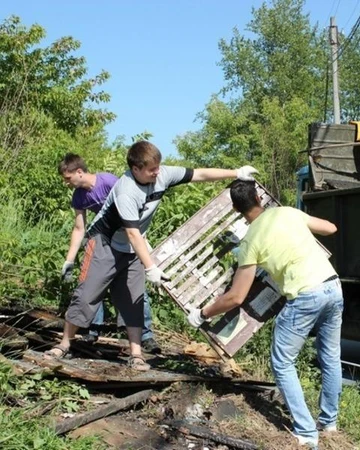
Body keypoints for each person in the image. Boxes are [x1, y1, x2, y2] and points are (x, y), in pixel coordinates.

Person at [45, 141, 258, 371]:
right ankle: (64, 344)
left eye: (158, 167)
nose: (157, 172)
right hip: (104, 243)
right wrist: (151, 268)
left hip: (132, 247)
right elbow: (133, 233)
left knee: (134, 299)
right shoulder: (126, 190)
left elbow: (200, 173)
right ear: (136, 169)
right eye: (151, 169)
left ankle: (136, 354)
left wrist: (237, 172)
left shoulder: (162, 174)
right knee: (87, 295)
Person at [187, 180, 343, 449]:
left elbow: (236, 296)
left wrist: (202, 313)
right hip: (333, 285)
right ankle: (328, 423)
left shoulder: (250, 242)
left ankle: (307, 433)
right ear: (259, 197)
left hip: (305, 295)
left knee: (282, 362)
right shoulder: (287, 213)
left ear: (237, 209)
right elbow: (330, 228)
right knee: (330, 356)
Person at [58, 154, 161, 353]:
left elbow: (134, 206)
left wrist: (142, 240)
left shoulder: (108, 182)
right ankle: (92, 330)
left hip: (129, 237)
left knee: (136, 291)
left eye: (68, 178)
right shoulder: (79, 196)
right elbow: (79, 228)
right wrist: (69, 260)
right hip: (104, 241)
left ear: (79, 172)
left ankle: (146, 336)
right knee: (93, 285)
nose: (66, 183)